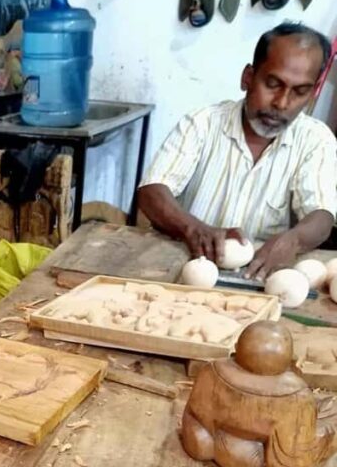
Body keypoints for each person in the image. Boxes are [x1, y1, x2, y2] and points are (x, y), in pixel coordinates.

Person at [138, 22, 337, 279]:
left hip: (261, 275)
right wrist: (192, 228)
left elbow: (321, 216)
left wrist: (294, 240)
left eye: (299, 92)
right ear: (248, 78)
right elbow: (151, 191)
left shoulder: (315, 140)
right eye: (273, 84)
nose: (282, 103)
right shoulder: (202, 124)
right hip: (189, 267)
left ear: (312, 94)